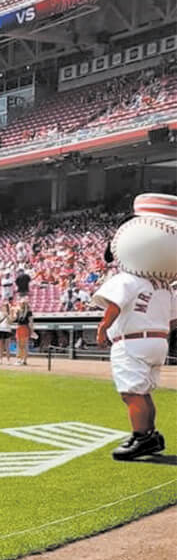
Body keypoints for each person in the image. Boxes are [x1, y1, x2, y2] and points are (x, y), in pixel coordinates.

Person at [92, 193, 177, 461]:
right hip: (158, 340)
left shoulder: (127, 277)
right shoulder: (163, 286)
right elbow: (173, 319)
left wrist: (103, 329)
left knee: (131, 392)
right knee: (144, 391)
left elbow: (114, 307)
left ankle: (141, 437)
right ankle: (150, 435)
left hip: (131, 341)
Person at [13, 294, 33, 365]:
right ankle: (20, 359)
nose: (21, 304)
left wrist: (32, 331)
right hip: (19, 328)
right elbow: (14, 319)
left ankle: (24, 360)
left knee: (24, 345)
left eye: (23, 303)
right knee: (19, 345)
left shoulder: (28, 312)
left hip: (25, 328)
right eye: (21, 303)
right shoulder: (18, 311)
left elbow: (31, 322)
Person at [0, 298, 15, 364]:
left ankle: (8, 360)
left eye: (6, 306)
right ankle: (0, 359)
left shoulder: (10, 314)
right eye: (3, 306)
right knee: (0, 346)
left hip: (7, 330)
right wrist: (3, 316)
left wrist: (7, 316)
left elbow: (10, 322)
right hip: (0, 330)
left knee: (7, 346)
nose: (4, 307)